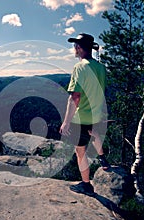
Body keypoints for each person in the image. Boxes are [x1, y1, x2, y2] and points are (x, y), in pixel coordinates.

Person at [59, 33, 110, 196]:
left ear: (79, 48)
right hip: (96, 113)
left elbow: (75, 96)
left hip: (81, 117)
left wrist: (66, 122)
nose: (74, 48)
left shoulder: (80, 67)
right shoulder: (101, 67)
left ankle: (86, 185)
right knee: (93, 132)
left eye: (75, 45)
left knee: (80, 151)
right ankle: (102, 158)